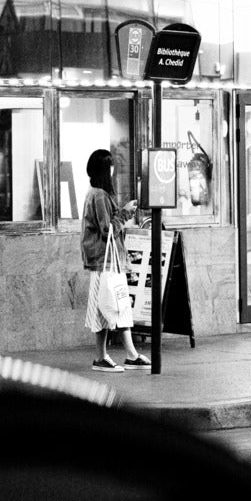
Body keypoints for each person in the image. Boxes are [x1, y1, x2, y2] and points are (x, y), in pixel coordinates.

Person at [81, 149, 151, 372]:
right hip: (105, 260)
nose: (113, 171)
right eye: (110, 167)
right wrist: (126, 213)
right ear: (105, 170)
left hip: (104, 260)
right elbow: (107, 229)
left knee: (111, 307)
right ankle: (120, 355)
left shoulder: (94, 193)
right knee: (116, 305)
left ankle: (117, 355)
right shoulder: (100, 195)